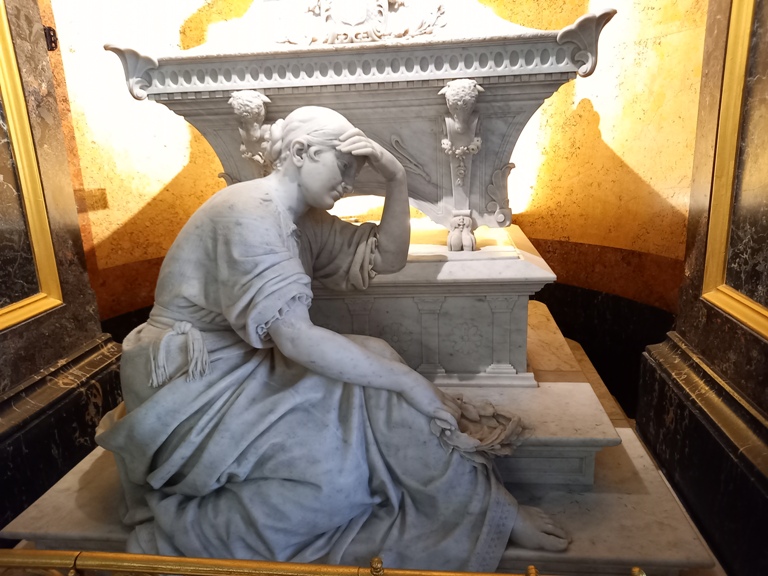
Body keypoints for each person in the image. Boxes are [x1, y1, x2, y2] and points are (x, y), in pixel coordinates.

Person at [96, 106, 568, 571]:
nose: (348, 184)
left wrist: (397, 179)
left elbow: (388, 257)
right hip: (191, 383)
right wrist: (410, 382)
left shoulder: (301, 217)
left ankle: (473, 505)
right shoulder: (248, 213)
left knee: (377, 360)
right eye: (342, 167)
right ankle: (184, 528)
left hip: (241, 364)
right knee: (345, 467)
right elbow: (297, 340)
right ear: (301, 151)